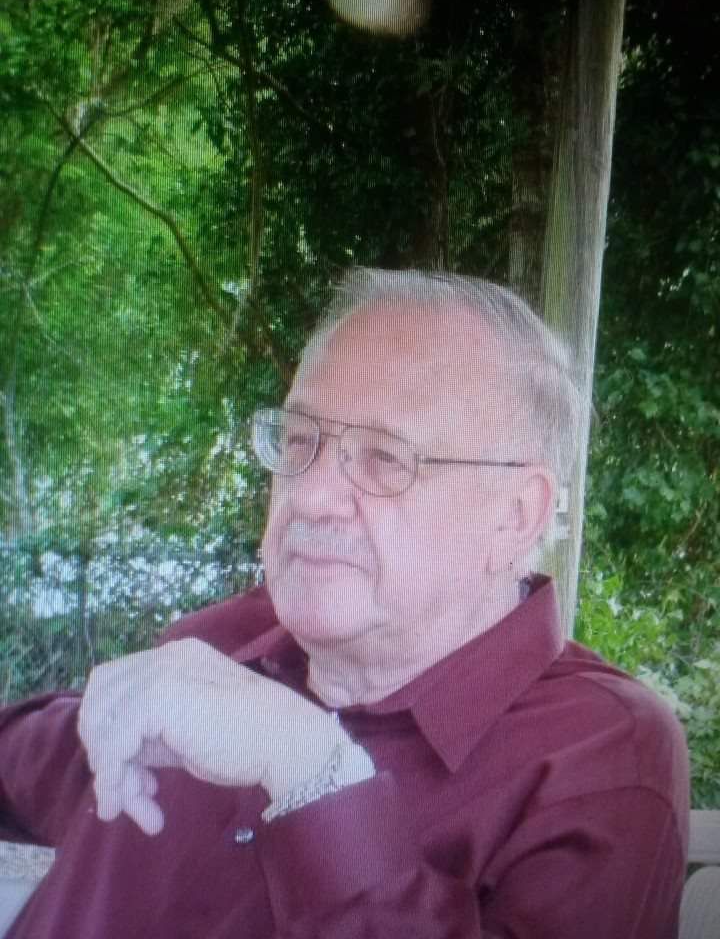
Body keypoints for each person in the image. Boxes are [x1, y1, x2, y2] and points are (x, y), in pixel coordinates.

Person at [0, 268, 689, 938]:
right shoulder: (226, 640)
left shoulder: (601, 756)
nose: (310, 495)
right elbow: (43, 756)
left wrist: (312, 771)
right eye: (300, 441)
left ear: (514, 515)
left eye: (387, 457)